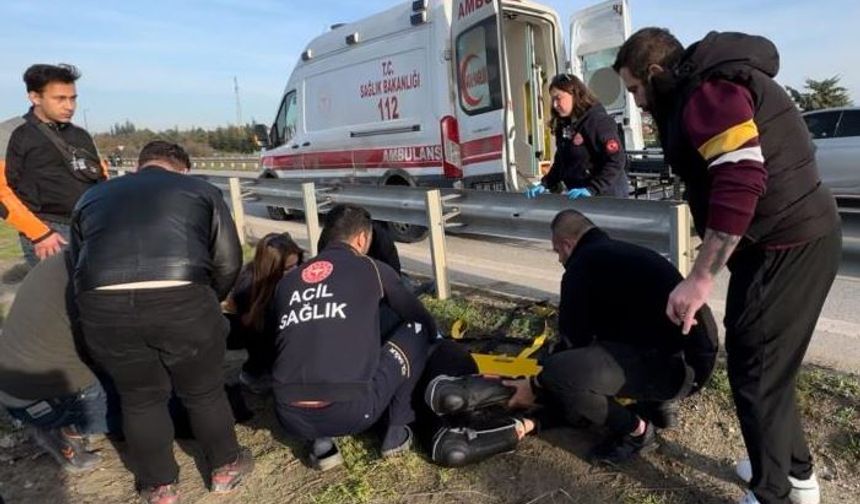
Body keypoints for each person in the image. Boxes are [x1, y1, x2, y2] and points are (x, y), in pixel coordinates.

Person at [613, 29, 842, 504]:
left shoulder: (708, 93)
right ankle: (792, 474)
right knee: (764, 369)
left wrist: (699, 279)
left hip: (787, 246)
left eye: (635, 89)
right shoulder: (713, 83)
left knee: (756, 374)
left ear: (655, 74)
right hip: (789, 241)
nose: (635, 103)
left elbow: (740, 177)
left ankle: (773, 492)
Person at [426, 209, 719, 466]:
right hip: (696, 362)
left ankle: (637, 432)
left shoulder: (581, 268)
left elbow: (572, 347)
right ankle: (658, 405)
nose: (559, 259)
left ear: (567, 244)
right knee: (615, 352)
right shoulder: (624, 254)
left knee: (560, 372)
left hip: (672, 370)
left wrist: (536, 384)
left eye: (557, 252)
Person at [70, 141, 253, 503]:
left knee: (139, 399)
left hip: (104, 307)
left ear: (140, 167)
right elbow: (229, 260)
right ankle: (224, 468)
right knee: (204, 391)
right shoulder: (201, 190)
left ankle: (160, 487)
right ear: (182, 169)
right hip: (182, 297)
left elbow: (78, 264)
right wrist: (206, 299)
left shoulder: (91, 198)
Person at [272, 203, 436, 471]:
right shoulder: (371, 268)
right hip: (352, 412)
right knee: (415, 331)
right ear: (362, 238)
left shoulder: (287, 282)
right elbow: (416, 315)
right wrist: (436, 338)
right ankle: (396, 431)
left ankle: (321, 443)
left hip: (289, 415)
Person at [0, 252, 118, 473]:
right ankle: (66, 432)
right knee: (146, 406)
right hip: (40, 400)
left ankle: (56, 422)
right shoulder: (101, 282)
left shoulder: (61, 260)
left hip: (15, 386)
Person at [0, 64, 107, 266]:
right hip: (50, 232)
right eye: (60, 99)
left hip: (91, 226)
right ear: (35, 97)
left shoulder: (80, 134)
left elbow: (101, 177)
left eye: (73, 98)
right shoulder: (10, 133)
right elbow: (2, 193)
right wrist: (39, 233)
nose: (69, 106)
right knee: (56, 295)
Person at [525, 73, 629, 200]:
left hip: (607, 198)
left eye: (558, 98)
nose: (555, 105)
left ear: (574, 94)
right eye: (552, 100)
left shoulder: (597, 122)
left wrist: (593, 189)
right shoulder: (566, 126)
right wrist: (545, 183)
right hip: (580, 197)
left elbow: (616, 160)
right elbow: (562, 162)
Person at [225, 232, 304, 393]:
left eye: (298, 264)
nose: (296, 272)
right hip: (263, 366)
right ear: (271, 269)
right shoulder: (248, 288)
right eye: (288, 268)